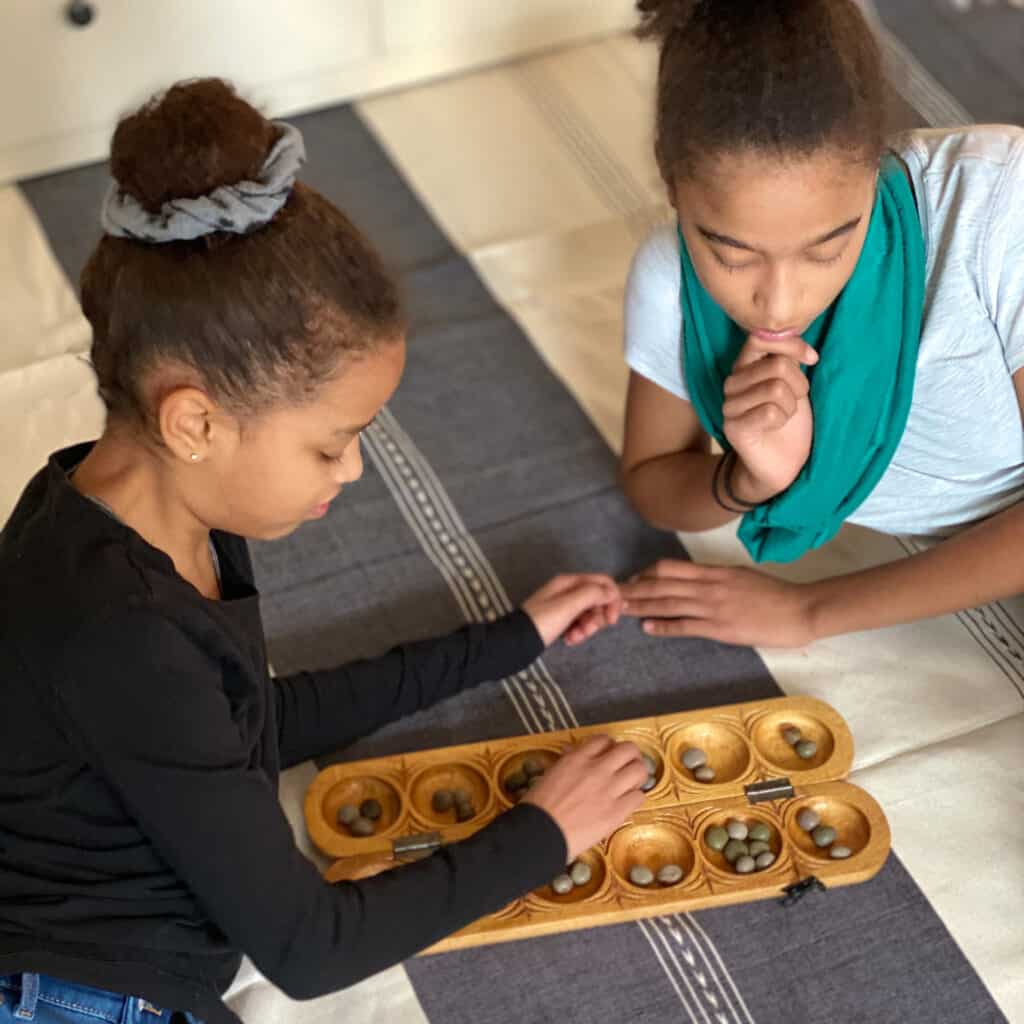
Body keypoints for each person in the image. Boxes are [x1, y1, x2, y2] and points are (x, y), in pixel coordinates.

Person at [0, 79, 647, 1024]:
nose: (349, 475)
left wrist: (510, 639)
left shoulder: (143, 516)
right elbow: (310, 949)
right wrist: (546, 835)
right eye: (330, 443)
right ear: (195, 421)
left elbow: (248, 721)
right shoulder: (118, 634)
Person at [615, 0, 1024, 648]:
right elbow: (654, 481)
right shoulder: (670, 275)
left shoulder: (996, 206)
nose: (779, 304)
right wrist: (749, 480)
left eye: (827, 248)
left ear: (875, 166)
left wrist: (809, 612)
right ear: (672, 187)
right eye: (731, 253)